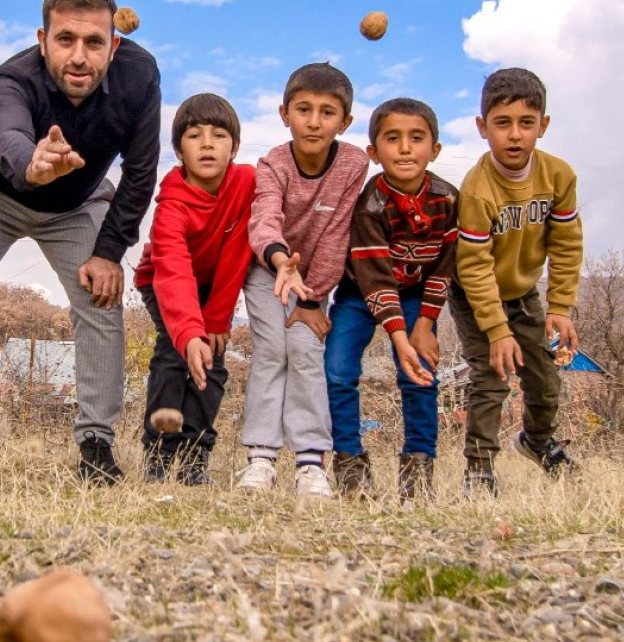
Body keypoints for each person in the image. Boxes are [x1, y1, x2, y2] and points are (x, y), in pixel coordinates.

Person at [0, 0, 162, 485]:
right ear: (41, 39)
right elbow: (4, 130)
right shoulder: (9, 80)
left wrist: (109, 251)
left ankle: (96, 445)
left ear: (114, 45)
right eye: (65, 39)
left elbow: (140, 173)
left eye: (94, 42)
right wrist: (32, 161)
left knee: (100, 292)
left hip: (78, 203)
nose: (79, 56)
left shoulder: (140, 77)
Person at [447, 67, 584, 495]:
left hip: (523, 294)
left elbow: (566, 243)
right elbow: (473, 265)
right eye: (502, 123)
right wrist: (496, 331)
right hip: (476, 297)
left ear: (542, 126)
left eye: (526, 123)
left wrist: (559, 306)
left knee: (544, 380)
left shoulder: (558, 176)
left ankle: (538, 441)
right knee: (491, 378)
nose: (514, 135)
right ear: (482, 127)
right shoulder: (477, 189)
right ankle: (480, 469)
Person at [237, 63, 368, 498]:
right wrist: (279, 262)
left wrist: (313, 298)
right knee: (273, 350)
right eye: (304, 109)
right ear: (284, 113)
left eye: (327, 112)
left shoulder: (352, 164)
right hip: (267, 271)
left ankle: (311, 461)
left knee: (306, 353)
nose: (314, 121)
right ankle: (261, 457)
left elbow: (336, 235)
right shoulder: (272, 163)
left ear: (345, 121)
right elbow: (264, 218)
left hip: (315, 282)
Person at [131, 94, 255, 485]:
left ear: (233, 147)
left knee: (213, 363)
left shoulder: (246, 183)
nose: (206, 143)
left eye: (219, 135)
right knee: (174, 350)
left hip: (215, 287)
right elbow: (173, 271)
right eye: (193, 135)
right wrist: (189, 333)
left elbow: (238, 254)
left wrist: (216, 320)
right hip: (164, 282)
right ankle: (159, 455)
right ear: (179, 150)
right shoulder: (171, 206)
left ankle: (193, 456)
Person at [336, 98, 453, 498]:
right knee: (337, 369)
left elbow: (445, 268)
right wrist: (398, 337)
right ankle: (351, 467)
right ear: (374, 152)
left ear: (434, 149)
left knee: (420, 374)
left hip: (419, 296)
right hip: (361, 293)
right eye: (392, 139)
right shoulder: (370, 205)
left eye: (416, 138)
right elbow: (375, 277)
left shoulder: (449, 201)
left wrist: (422, 325)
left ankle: (417, 475)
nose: (405, 148)